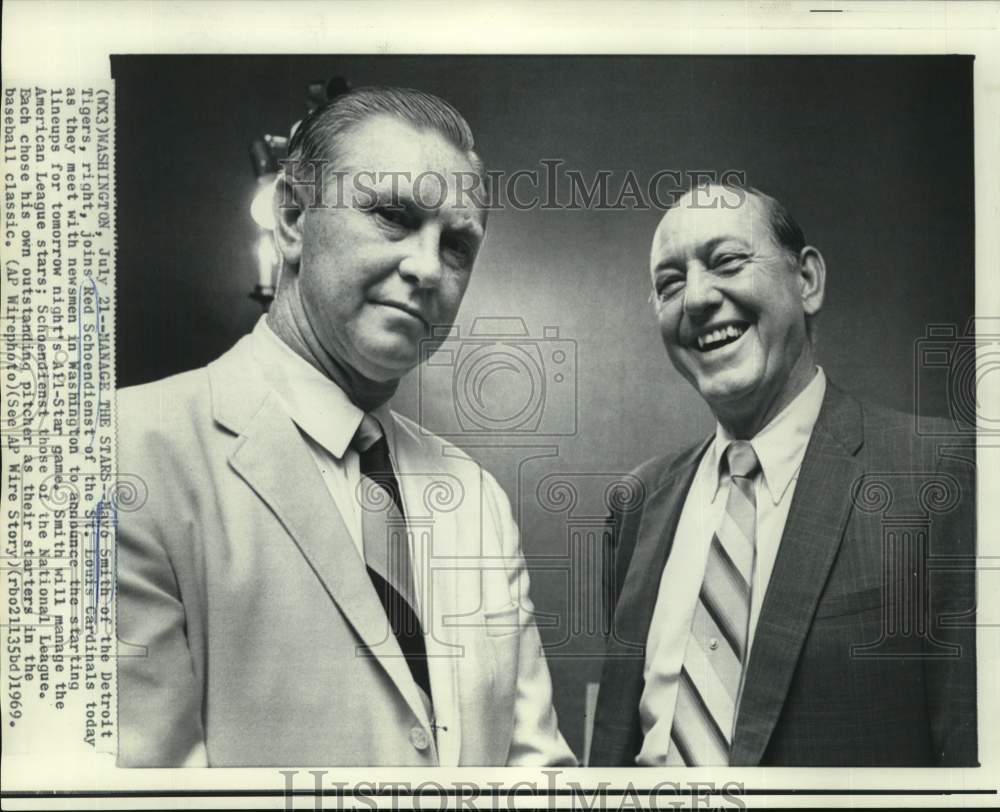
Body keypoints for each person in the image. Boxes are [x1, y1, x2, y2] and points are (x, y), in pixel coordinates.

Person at [116, 85, 575, 768]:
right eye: (393, 215)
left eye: (456, 246)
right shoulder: (126, 452)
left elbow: (536, 769)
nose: (427, 268)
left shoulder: (475, 497)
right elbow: (137, 792)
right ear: (294, 217)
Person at [590, 183, 976, 767]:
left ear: (808, 281)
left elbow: (976, 758)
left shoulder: (944, 473)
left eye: (727, 262)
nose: (695, 298)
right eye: (669, 283)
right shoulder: (638, 503)